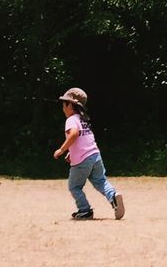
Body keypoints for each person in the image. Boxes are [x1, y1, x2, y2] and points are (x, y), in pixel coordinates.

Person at [53, 86, 125, 221]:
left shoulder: (71, 120)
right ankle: (113, 196)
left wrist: (62, 150)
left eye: (64, 104)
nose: (63, 108)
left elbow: (74, 134)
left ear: (70, 106)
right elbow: (83, 139)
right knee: (101, 181)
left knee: (74, 186)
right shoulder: (83, 119)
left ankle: (84, 210)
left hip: (81, 161)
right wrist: (71, 152)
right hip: (95, 155)